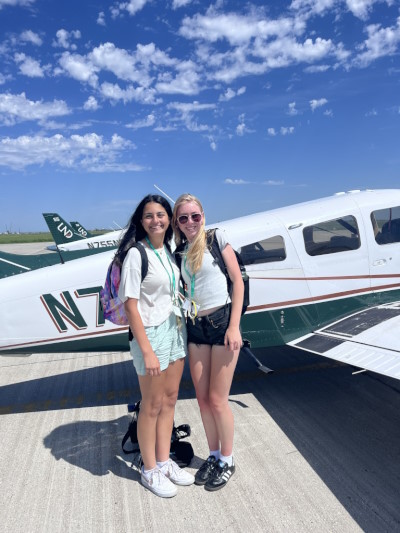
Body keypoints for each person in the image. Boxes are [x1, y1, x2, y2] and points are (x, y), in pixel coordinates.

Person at [117, 194, 194, 498]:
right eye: (149, 216)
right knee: (150, 405)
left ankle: (164, 461)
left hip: (175, 329)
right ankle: (149, 470)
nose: (156, 220)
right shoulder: (138, 254)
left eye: (161, 214)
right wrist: (146, 349)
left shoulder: (169, 250)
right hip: (151, 334)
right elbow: (131, 306)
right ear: (141, 221)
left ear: (169, 219)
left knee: (170, 399)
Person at [172, 193, 244, 491]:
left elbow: (237, 281)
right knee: (202, 399)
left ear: (203, 216)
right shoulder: (179, 251)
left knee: (217, 399)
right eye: (183, 218)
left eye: (195, 216)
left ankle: (227, 460)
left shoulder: (216, 239)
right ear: (177, 222)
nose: (190, 222)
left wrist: (235, 326)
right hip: (195, 327)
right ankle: (213, 456)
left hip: (221, 325)